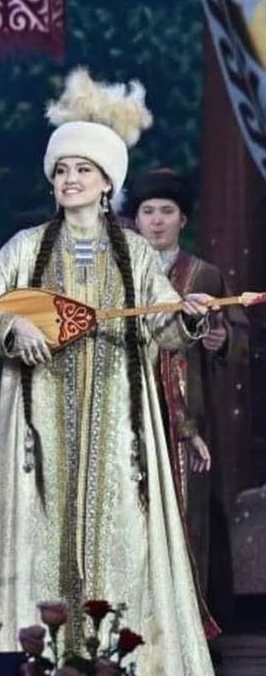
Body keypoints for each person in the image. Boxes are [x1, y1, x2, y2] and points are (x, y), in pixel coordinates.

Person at [0, 68, 215, 674]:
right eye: (62, 170)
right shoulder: (26, 248)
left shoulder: (135, 254)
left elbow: (163, 326)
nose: (70, 179)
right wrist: (11, 328)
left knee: (121, 536)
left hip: (118, 434)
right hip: (38, 435)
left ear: (106, 184)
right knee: (39, 538)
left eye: (84, 170)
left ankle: (119, 659)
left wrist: (190, 316)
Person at [127, 167, 249, 628]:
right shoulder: (121, 276)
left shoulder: (204, 275)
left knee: (189, 514)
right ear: (136, 220)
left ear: (183, 219)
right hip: (131, 411)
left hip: (188, 416)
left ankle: (192, 627)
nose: (157, 221)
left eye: (167, 211)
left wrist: (222, 339)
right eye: (148, 211)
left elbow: (239, 334)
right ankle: (133, 626)